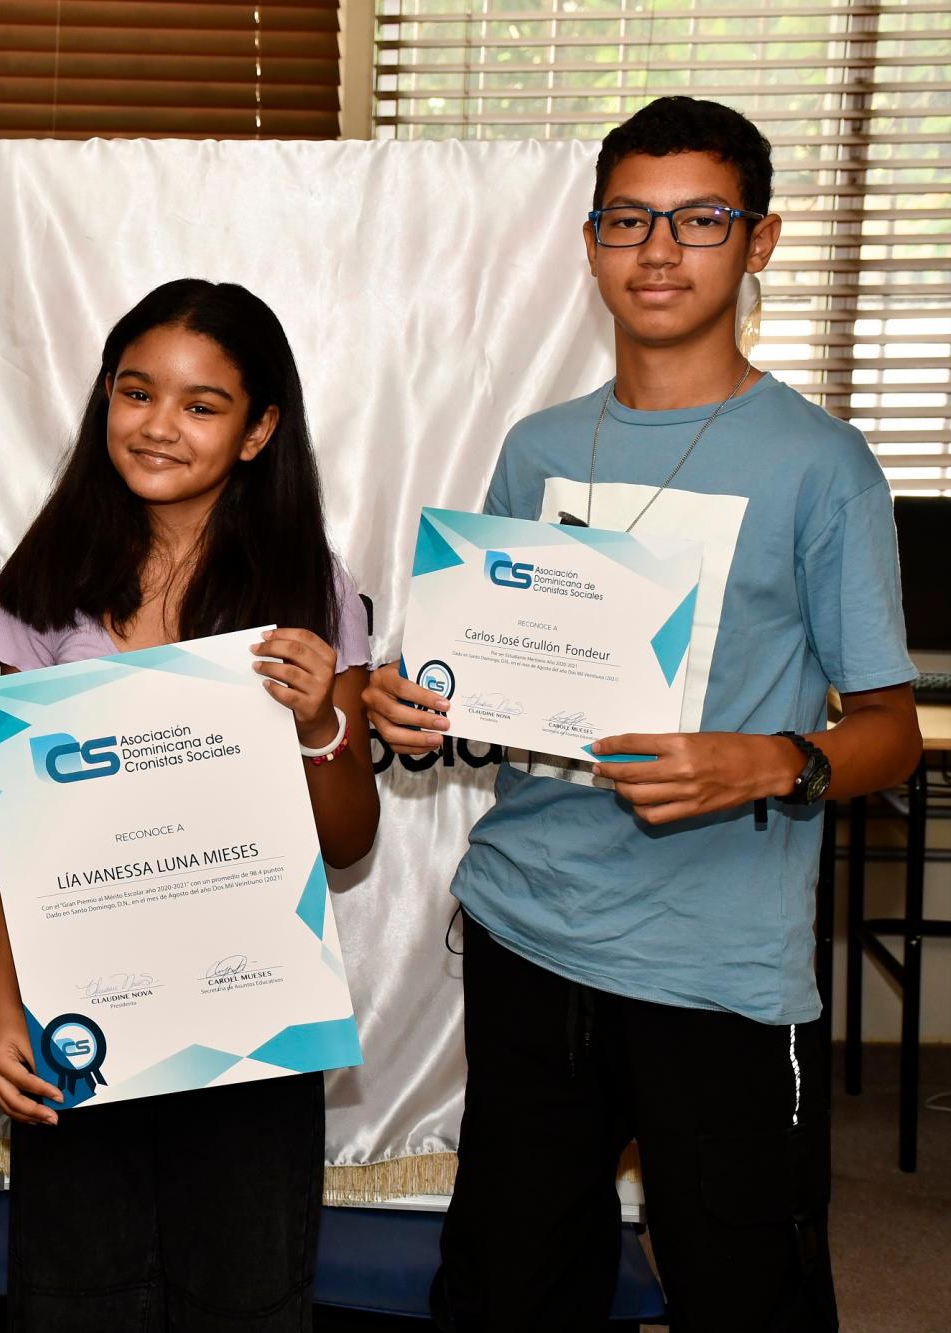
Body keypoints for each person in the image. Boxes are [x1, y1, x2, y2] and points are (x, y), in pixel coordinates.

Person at [364, 97, 921, 1332]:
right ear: (589, 240)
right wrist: (418, 705)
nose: (657, 250)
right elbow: (496, 685)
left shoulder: (818, 463)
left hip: (713, 965)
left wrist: (769, 759)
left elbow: (887, 725)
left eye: (697, 219)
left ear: (757, 241)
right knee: (507, 1283)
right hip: (525, 929)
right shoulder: (537, 446)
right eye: (627, 219)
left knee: (738, 1290)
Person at [0, 279, 379, 1330]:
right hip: (84, 1010)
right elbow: (16, 829)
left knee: (243, 1291)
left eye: (201, 405)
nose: (158, 425)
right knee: (76, 1293)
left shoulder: (309, 588)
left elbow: (348, 840)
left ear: (256, 433)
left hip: (246, 1012)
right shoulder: (43, 585)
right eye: (135, 391)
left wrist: (314, 727)